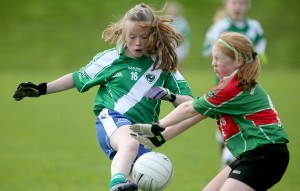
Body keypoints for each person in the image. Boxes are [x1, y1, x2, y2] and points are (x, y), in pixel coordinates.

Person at [12, 3, 193, 191]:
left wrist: (170, 96)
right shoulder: (111, 58)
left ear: (153, 36)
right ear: (123, 34)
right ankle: (115, 184)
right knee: (128, 145)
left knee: (131, 183)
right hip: (112, 119)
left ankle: (123, 184)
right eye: (132, 37)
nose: (138, 42)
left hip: (143, 132)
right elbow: (76, 78)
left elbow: (190, 104)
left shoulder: (163, 64)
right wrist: (42, 89)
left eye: (144, 37)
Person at [130, 32, 290, 191]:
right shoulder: (231, 85)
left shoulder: (235, 87)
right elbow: (198, 114)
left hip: (266, 155)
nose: (213, 63)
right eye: (212, 58)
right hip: (254, 155)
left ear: (238, 61)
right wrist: (161, 137)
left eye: (218, 58)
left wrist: (158, 125)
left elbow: (188, 108)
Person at [202, 0, 267, 168]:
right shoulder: (220, 27)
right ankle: (228, 162)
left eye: (242, 3)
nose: (238, 6)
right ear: (226, 5)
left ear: (247, 6)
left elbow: (260, 49)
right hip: (224, 84)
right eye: (234, 3)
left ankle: (234, 163)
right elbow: (206, 49)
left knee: (243, 121)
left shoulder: (254, 26)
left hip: (246, 82)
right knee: (225, 122)